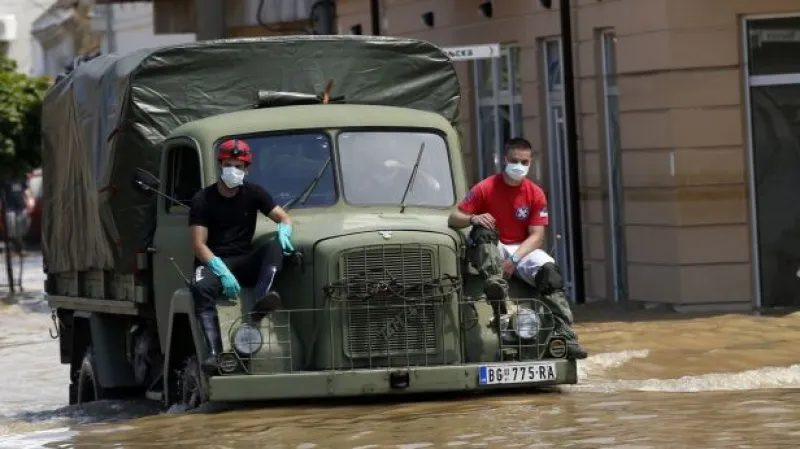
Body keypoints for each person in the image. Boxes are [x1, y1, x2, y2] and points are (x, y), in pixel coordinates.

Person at [447, 137, 587, 360]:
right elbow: (455, 217)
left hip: (522, 248)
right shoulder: (486, 187)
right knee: (482, 230)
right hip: (494, 244)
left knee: (550, 272)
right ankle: (496, 286)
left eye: (524, 162)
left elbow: (537, 236)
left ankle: (565, 336)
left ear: (530, 162)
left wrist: (514, 260)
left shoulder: (535, 193)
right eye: (514, 160)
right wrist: (473, 217)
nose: (519, 166)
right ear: (505, 159)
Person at [188, 138, 296, 375]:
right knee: (200, 287)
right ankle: (215, 354)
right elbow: (198, 244)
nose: (233, 170)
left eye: (239, 166)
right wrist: (221, 270)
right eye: (228, 164)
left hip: (243, 259)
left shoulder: (254, 193)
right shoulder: (203, 199)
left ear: (247, 169)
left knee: (274, 245)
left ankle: (262, 298)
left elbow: (283, 217)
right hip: (213, 262)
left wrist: (285, 230)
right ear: (220, 166)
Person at [1, 176, 33, 256]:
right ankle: (14, 247)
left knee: (21, 228)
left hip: (21, 207)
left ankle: (21, 247)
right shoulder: (4, 179)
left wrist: (29, 199)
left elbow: (26, 189)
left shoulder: (21, 177)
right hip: (9, 208)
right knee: (11, 228)